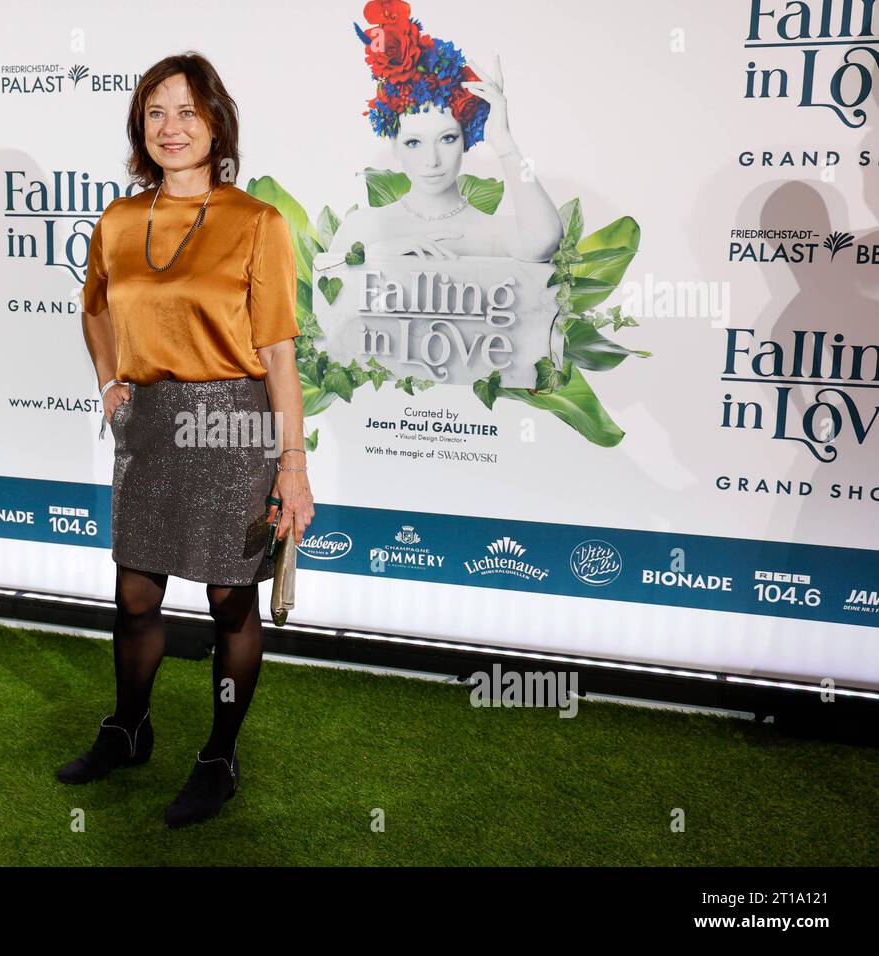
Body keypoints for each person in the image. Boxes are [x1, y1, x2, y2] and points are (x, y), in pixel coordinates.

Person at [57, 52, 316, 829]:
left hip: (234, 423)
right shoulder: (118, 219)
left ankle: (218, 755)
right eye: (155, 113)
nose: (171, 129)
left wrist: (292, 467)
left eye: (187, 112)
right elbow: (95, 308)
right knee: (135, 594)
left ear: (216, 123)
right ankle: (128, 728)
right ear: (141, 127)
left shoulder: (256, 223)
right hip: (152, 426)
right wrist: (111, 381)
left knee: (230, 600)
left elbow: (276, 354)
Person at [314, 0, 563, 271]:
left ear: (465, 138)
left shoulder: (491, 232)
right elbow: (331, 302)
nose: (431, 160)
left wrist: (504, 142)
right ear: (394, 145)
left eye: (447, 138)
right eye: (413, 142)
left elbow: (546, 239)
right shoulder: (363, 227)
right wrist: (374, 256)